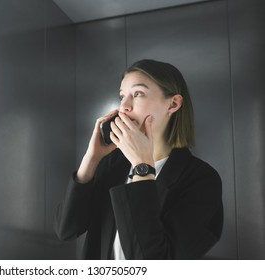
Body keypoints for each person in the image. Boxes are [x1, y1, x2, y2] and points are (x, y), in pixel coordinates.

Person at [54, 59, 223, 260]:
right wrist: (91, 158)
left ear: (174, 103)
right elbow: (66, 230)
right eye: (122, 96)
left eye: (138, 94)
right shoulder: (112, 163)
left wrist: (143, 168)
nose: (124, 106)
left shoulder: (202, 180)